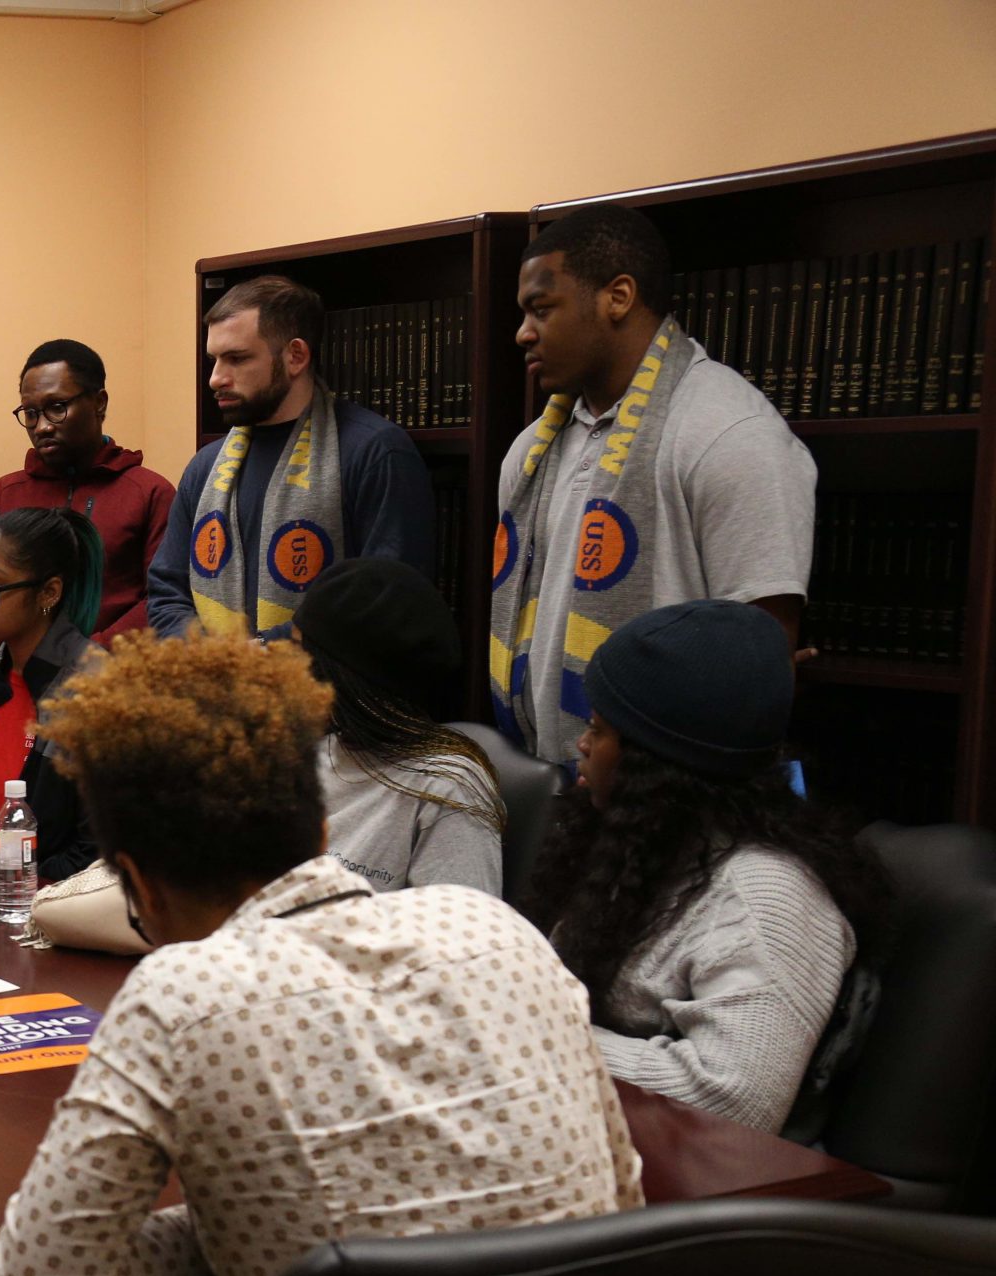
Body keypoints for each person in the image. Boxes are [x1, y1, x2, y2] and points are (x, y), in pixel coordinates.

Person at [0, 631, 643, 1276]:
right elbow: (622, 1189)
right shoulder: (499, 929)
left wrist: (230, 1215)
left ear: (137, 883)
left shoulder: (179, 997)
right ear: (324, 830)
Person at [525, 600, 878, 1135]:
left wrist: (524, 1030)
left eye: (600, 730)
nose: (583, 745)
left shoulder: (767, 900)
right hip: (589, 1133)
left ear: (654, 766)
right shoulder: (642, 845)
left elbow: (733, 1102)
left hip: (703, 1191)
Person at [492, 205, 817, 765]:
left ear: (617, 297)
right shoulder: (531, 452)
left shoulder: (730, 434)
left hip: (665, 797)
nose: (523, 333)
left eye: (542, 309)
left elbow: (758, 669)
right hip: (546, 784)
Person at [137, 275, 436, 642]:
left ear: (296, 356)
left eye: (237, 358)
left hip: (328, 694)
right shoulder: (205, 467)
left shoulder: (374, 452)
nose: (216, 378)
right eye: (214, 359)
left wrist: (261, 656)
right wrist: (212, 657)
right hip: (212, 689)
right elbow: (167, 590)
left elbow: (383, 601)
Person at [294, 557, 504, 894]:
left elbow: (460, 934)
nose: (287, 672)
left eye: (302, 655)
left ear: (340, 679)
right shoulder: (312, 755)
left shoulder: (448, 787)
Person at [0, 508, 101, 883]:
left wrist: (8, 890)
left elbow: (94, 854)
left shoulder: (94, 690)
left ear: (49, 592)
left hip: (46, 906)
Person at [0, 339, 176, 637]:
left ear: (99, 402)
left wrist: (89, 658)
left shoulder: (149, 493)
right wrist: (28, 659)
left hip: (117, 674)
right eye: (30, 413)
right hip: (24, 675)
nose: (41, 426)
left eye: (56, 407)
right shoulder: (5, 494)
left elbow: (164, 598)